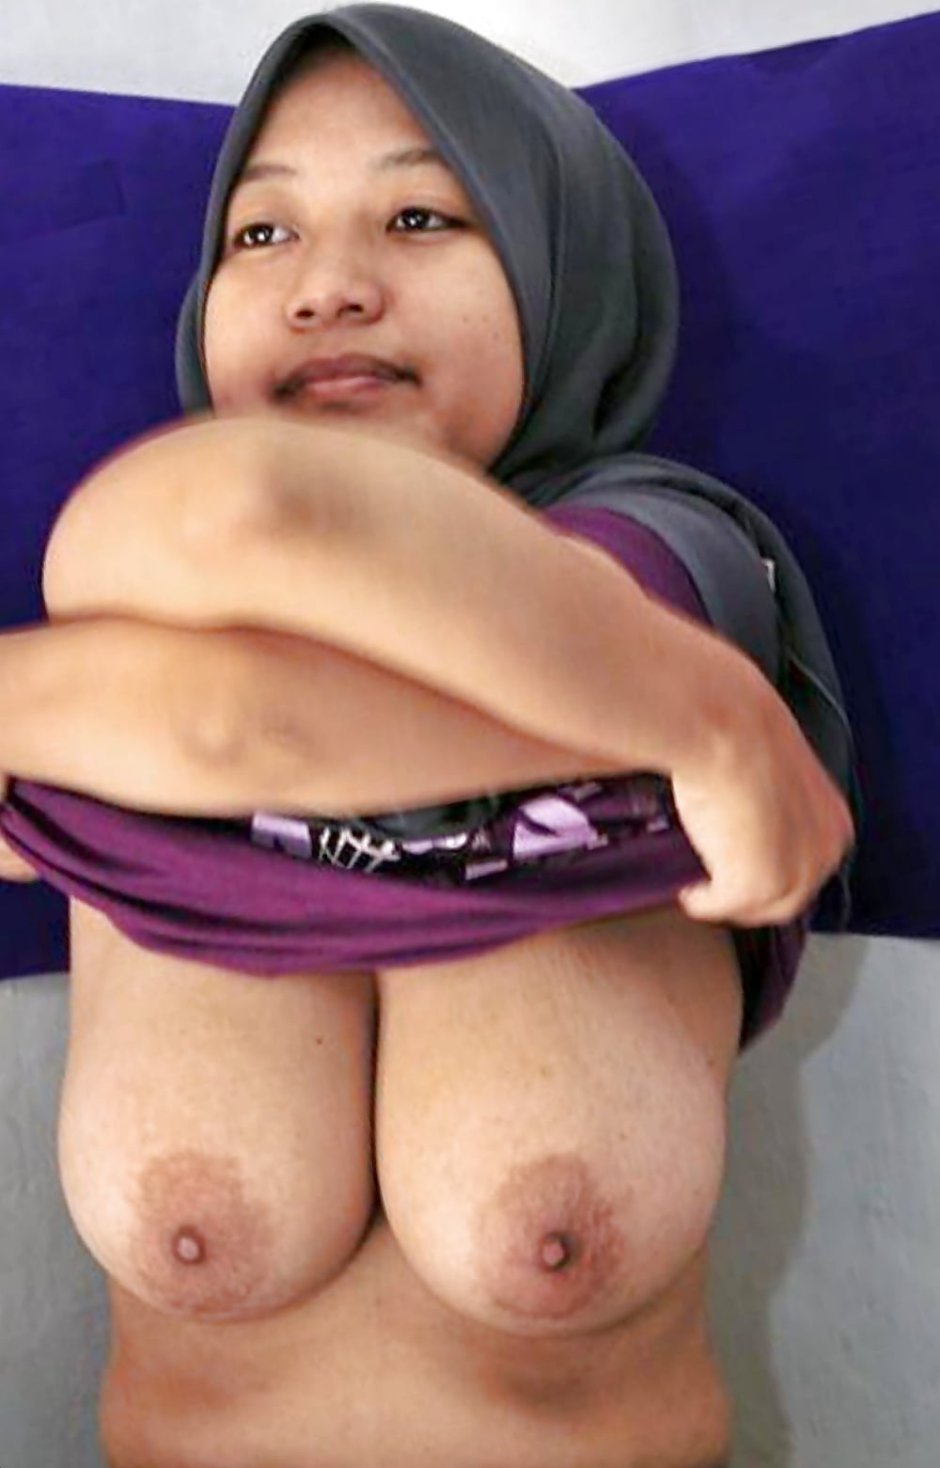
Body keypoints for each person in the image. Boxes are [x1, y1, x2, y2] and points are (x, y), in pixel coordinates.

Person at [0, 7, 859, 1465]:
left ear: (560, 269)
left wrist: (695, 696)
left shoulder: (674, 554)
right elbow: (234, 605)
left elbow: (239, 638)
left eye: (419, 216)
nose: (330, 286)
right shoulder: (135, 564)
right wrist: (702, 726)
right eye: (260, 235)